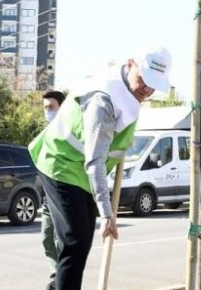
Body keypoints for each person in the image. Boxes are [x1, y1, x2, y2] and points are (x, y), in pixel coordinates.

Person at [29, 45, 172, 290]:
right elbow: (95, 160)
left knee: (80, 241)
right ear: (130, 64)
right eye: (145, 80)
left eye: (154, 85)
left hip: (82, 173)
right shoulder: (103, 99)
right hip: (60, 163)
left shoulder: (130, 94)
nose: (147, 90)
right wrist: (107, 214)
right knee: (75, 240)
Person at [39, 90, 65, 290]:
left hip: (64, 196)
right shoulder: (46, 133)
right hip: (47, 197)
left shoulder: (68, 132)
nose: (48, 111)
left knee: (61, 241)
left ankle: (60, 281)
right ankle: (56, 277)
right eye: (45, 108)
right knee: (47, 238)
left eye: (51, 107)